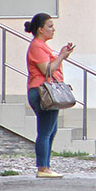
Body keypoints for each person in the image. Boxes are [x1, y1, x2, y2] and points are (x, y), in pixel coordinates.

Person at [25, 13, 73, 178]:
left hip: (47, 92)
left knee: (51, 130)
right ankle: (42, 168)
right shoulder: (37, 46)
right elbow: (47, 70)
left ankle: (46, 166)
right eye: (50, 26)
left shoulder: (43, 46)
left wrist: (61, 55)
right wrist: (61, 57)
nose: (53, 29)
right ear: (40, 29)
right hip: (42, 92)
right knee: (45, 131)